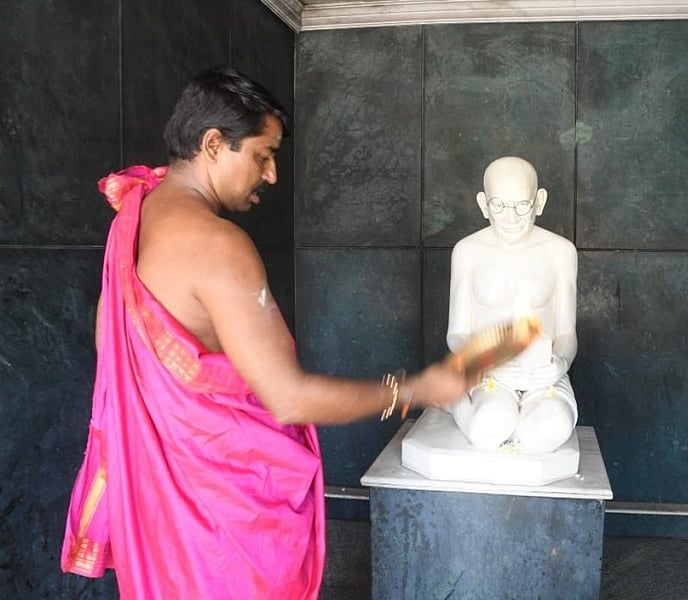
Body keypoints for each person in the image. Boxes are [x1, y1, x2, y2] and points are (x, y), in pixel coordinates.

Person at [60, 67, 469, 599]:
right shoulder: (217, 244)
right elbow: (289, 398)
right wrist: (413, 390)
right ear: (213, 144)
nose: (272, 175)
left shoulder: (133, 218)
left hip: (159, 507)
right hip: (223, 526)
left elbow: (109, 348)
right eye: (263, 155)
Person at [447, 156, 578, 454]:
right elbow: (457, 334)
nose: (511, 217)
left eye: (522, 205)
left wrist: (561, 363)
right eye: (498, 205)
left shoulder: (560, 252)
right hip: (488, 373)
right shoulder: (468, 252)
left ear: (539, 201)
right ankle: (455, 400)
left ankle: (523, 416)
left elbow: (566, 333)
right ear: (483, 204)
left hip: (542, 374)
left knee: (548, 431)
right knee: (488, 428)